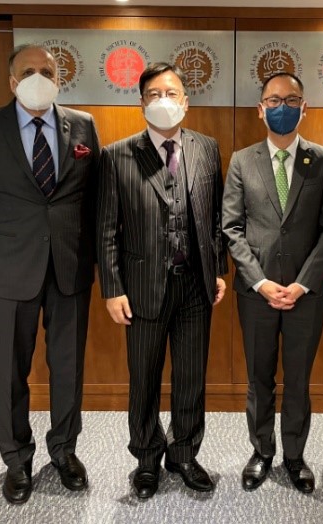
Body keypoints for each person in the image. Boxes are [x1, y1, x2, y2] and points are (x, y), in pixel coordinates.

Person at [0, 44, 100, 505]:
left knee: (68, 368)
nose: (40, 77)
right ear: (12, 81)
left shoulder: (83, 126)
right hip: (9, 270)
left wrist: (102, 264)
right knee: (11, 370)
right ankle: (16, 458)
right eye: (29, 71)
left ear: (59, 79)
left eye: (48, 71)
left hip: (70, 268)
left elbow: (96, 202)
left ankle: (64, 450)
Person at [96, 62, 227, 500]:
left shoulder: (206, 148)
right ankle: (147, 457)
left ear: (186, 101)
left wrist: (218, 268)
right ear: (141, 103)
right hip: (141, 287)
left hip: (195, 286)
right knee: (144, 378)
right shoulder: (117, 155)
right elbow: (106, 229)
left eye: (171, 93)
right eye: (154, 94)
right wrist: (112, 288)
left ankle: (184, 453)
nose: (163, 100)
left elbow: (214, 217)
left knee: (191, 376)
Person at [222, 72, 323, 494]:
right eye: (273, 100)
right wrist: (259, 282)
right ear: (261, 109)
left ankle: (294, 455)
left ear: (304, 107)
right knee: (259, 378)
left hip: (306, 295)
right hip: (256, 294)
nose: (282, 107)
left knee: (298, 379)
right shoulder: (242, 160)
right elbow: (232, 228)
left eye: (291, 100)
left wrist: (303, 283)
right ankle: (262, 451)